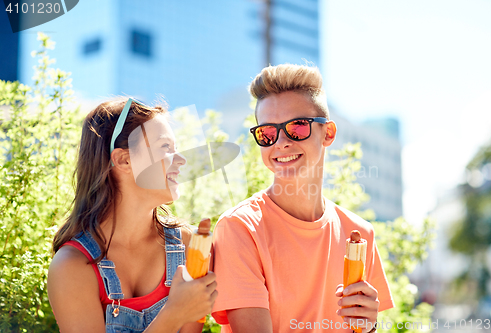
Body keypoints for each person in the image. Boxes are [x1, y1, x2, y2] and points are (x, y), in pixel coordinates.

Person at [211, 64, 394, 333]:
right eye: (267, 133)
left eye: (297, 127)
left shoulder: (361, 234)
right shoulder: (239, 229)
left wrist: (368, 328)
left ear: (328, 133)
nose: (281, 142)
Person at [48, 98, 218, 333]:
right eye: (165, 148)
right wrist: (174, 314)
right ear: (124, 160)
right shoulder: (72, 266)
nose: (180, 160)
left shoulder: (188, 245)